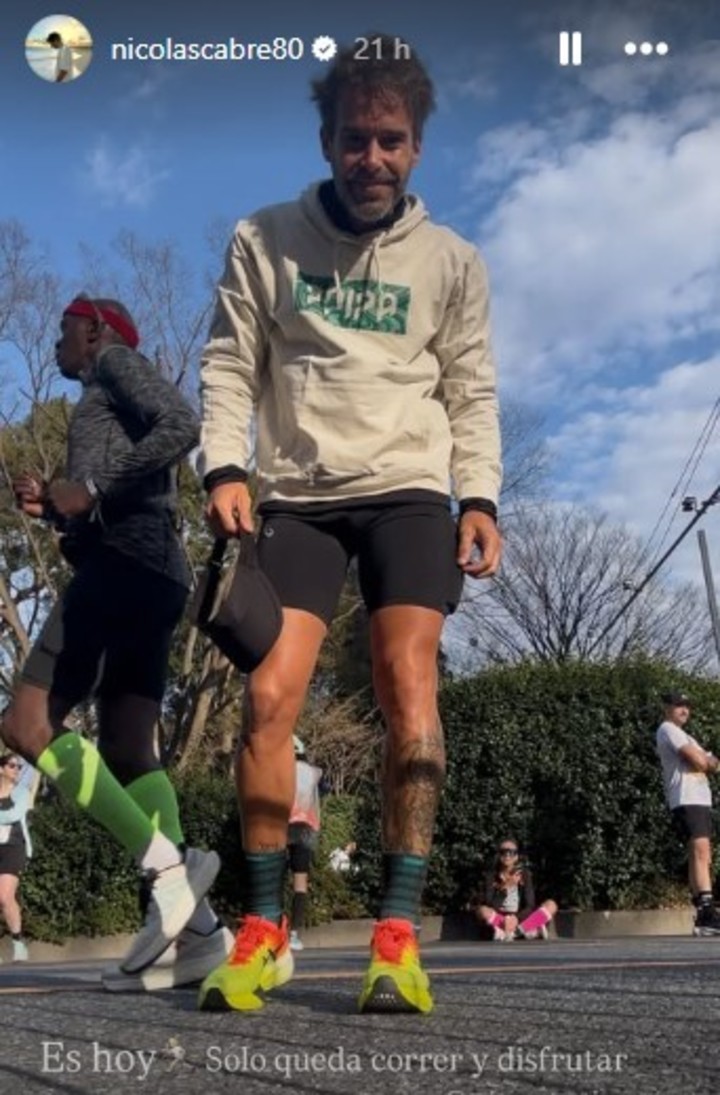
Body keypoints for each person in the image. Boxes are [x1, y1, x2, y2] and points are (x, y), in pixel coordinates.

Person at [197, 31, 502, 1015]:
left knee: (407, 684)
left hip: (411, 487)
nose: (373, 158)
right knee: (269, 700)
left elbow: (472, 389)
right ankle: (261, 931)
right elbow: (229, 363)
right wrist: (226, 464)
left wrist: (481, 495)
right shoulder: (265, 237)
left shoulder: (453, 262)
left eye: (392, 140)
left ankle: (397, 934)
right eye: (355, 139)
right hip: (296, 492)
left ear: (416, 147)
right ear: (326, 141)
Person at [2, 295, 225, 988]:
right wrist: (57, 513)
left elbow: (184, 422)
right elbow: (106, 506)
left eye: (65, 331)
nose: (55, 344)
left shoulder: (116, 365)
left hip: (128, 567)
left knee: (27, 720)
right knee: (130, 748)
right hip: (150, 570)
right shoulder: (103, 394)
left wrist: (91, 486)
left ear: (94, 330)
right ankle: (199, 936)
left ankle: (167, 870)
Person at [656, 690, 720, 936]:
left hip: (698, 799)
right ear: (667, 709)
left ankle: (703, 913)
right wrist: (706, 760)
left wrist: (707, 760)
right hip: (687, 797)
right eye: (678, 706)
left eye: (687, 706)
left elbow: (711, 762)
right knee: (701, 851)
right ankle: (706, 913)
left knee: (702, 853)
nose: (684, 710)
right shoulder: (668, 729)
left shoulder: (685, 735)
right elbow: (704, 763)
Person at [471, 839, 557, 942]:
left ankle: (514, 932)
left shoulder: (524, 875)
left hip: (520, 917)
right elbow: (490, 905)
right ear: (499, 856)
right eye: (503, 852)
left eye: (511, 852)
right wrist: (506, 887)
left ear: (516, 857)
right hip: (499, 917)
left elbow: (530, 904)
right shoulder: (490, 876)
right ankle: (527, 931)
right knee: (482, 911)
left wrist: (516, 918)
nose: (507, 855)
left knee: (551, 905)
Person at [286, 736, 323, 951]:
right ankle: (294, 934)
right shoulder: (314, 772)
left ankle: (272, 930)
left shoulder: (281, 770)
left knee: (275, 878)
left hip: (280, 828)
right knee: (300, 884)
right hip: (306, 830)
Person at [0, 754, 34, 961]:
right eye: (12, 766)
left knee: (4, 897)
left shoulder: (21, 792)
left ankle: (18, 942)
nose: (17, 770)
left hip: (13, 848)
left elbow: (13, 815)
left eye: (19, 767)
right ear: (1, 769)